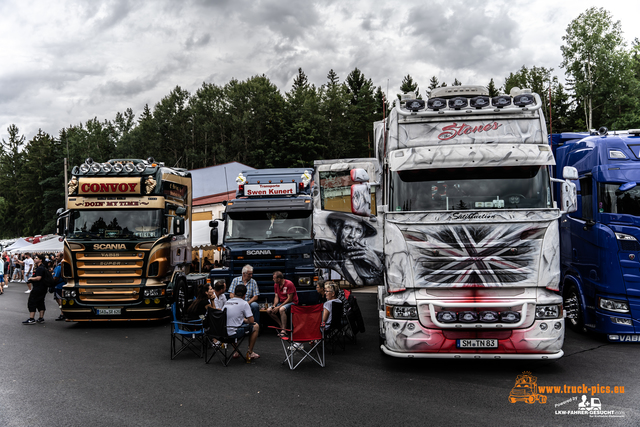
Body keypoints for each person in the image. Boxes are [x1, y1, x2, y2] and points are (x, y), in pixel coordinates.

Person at [315, 213, 384, 286]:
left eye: (358, 230)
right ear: (337, 230)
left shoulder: (372, 257)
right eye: (348, 228)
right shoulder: (323, 253)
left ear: (361, 236)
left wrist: (378, 265)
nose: (352, 235)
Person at [224, 284, 260, 361]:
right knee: (256, 326)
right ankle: (250, 352)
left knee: (233, 323)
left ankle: (235, 351)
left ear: (234, 293)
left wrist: (241, 319)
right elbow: (251, 321)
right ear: (244, 295)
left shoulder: (227, 302)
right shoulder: (244, 303)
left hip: (223, 332)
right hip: (234, 333)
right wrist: (244, 319)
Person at [22, 254, 49, 324]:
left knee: (32, 301)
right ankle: (41, 318)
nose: (34, 259)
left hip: (38, 288)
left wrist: (31, 278)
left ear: (40, 260)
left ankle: (31, 318)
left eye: (36, 258)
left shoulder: (40, 268)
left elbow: (38, 278)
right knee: (41, 302)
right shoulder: (44, 267)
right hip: (43, 288)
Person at [52, 252, 66, 320]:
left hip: (59, 285)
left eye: (57, 256)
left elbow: (56, 277)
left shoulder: (60, 266)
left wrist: (52, 283)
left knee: (59, 300)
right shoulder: (63, 265)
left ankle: (63, 313)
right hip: (62, 284)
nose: (56, 258)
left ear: (61, 257)